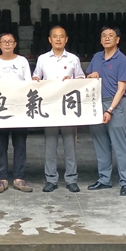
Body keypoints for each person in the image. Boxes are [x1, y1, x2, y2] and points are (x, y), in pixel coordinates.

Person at [32, 26, 85, 193]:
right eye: (55, 36)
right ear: (50, 39)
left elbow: (82, 78)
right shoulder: (42, 59)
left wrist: (73, 80)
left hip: (68, 108)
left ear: (66, 39)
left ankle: (71, 179)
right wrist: (35, 79)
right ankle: (51, 179)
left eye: (61, 36)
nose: (58, 39)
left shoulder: (73, 59)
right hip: (49, 107)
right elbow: (36, 77)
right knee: (50, 144)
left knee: (70, 144)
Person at [86, 26, 126, 196]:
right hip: (96, 103)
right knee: (100, 143)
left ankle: (125, 182)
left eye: (111, 36)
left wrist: (110, 109)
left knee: (119, 144)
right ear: (100, 40)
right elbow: (88, 78)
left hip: (115, 104)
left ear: (117, 39)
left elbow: (122, 89)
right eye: (104, 35)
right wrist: (90, 76)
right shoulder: (97, 57)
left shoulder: (122, 60)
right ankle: (104, 179)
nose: (107, 38)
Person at [0, 33, 33, 194]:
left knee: (20, 145)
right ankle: (2, 179)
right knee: (0, 146)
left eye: (10, 41)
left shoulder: (22, 61)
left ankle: (19, 178)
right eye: (4, 42)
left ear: (15, 44)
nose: (7, 44)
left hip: (19, 110)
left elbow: (28, 84)